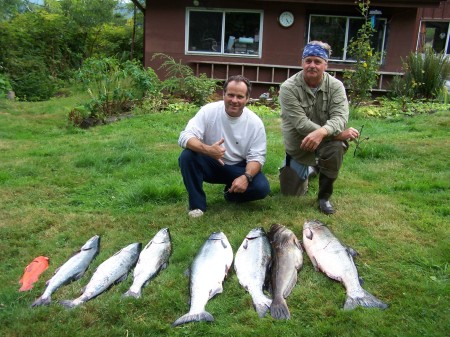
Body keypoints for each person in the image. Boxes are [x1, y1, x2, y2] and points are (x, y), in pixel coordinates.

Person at [279, 41, 360, 214]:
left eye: (317, 61)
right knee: (290, 194)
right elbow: (300, 124)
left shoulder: (336, 86)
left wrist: (323, 133)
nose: (312, 65)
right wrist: (337, 135)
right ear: (302, 63)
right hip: (300, 145)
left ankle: (324, 197)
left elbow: (340, 117)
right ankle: (311, 169)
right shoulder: (288, 88)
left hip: (326, 143)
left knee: (335, 148)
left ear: (325, 64)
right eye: (308, 61)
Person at [178, 75, 271, 218]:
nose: (234, 100)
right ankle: (197, 206)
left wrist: (246, 177)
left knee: (262, 188)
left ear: (247, 99)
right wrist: (208, 150)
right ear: (223, 94)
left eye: (240, 97)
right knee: (187, 156)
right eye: (230, 95)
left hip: (239, 167)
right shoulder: (208, 111)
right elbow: (185, 137)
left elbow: (257, 157)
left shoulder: (255, 123)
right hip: (212, 163)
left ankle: (231, 194)